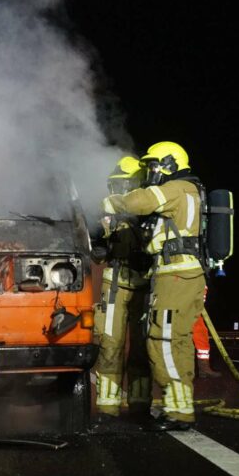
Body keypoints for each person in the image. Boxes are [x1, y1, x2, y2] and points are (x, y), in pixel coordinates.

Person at [104, 141, 205, 431]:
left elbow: (138, 202)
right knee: (174, 340)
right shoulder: (186, 190)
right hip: (174, 274)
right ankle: (178, 407)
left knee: (165, 340)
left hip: (176, 274)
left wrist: (113, 203)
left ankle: (179, 412)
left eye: (155, 164)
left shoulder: (178, 188)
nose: (151, 170)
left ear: (172, 163)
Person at [91, 156, 152, 424]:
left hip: (144, 284)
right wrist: (97, 245)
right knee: (109, 345)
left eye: (124, 184)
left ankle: (139, 405)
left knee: (141, 346)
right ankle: (107, 407)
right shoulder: (106, 212)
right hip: (114, 281)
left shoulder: (151, 211)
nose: (119, 190)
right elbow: (95, 246)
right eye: (115, 185)